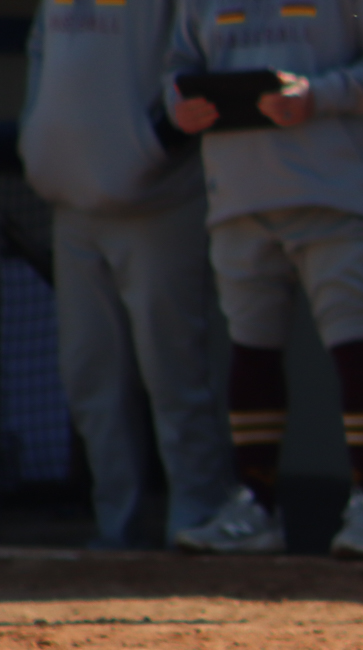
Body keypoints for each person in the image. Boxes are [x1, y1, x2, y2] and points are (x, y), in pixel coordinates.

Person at [166, 0, 363, 559]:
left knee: (355, 343)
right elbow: (177, 68)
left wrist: (317, 96)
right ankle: (256, 507)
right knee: (250, 350)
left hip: (331, 195)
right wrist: (176, 107)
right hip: (238, 196)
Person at [19, 0, 230, 551]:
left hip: (157, 200)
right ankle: (116, 525)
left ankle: (195, 517)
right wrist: (36, 142)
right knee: (88, 373)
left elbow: (196, 57)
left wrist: (156, 142)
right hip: (71, 202)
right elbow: (42, 52)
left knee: (173, 368)